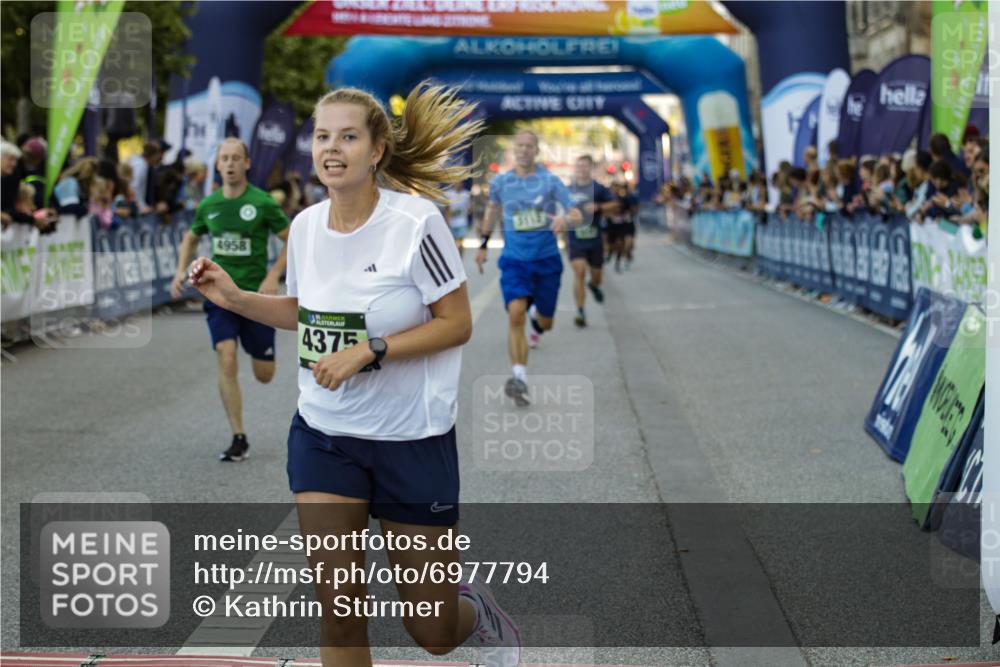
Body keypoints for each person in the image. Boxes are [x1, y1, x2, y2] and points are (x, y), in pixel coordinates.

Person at [186, 83, 522, 666]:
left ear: (377, 151)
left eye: (347, 136)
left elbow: (457, 322)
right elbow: (303, 310)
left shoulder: (417, 224)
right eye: (321, 136)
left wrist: (373, 349)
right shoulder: (308, 226)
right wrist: (236, 298)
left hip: (411, 440)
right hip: (325, 434)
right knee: (340, 615)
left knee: (434, 632)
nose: (331, 148)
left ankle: (477, 612)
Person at [170, 138, 291, 462]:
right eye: (224, 158)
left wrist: (272, 276)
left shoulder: (263, 202)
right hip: (219, 295)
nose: (230, 163)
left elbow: (291, 240)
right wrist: (180, 271)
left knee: (264, 374)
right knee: (226, 357)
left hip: (255, 298)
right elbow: (191, 237)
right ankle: (238, 436)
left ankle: (261, 356)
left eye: (236, 157)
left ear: (247, 163)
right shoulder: (209, 204)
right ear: (218, 164)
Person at [475, 128, 583, 406]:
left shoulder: (550, 181)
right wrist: (484, 243)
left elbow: (576, 211)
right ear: (514, 150)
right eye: (519, 146)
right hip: (514, 260)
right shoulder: (501, 183)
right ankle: (519, 378)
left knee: (545, 323)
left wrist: (565, 221)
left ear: (536, 151)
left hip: (547, 261)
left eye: (529, 146)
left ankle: (539, 317)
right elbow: (492, 210)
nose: (523, 150)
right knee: (515, 315)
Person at [566, 154, 614, 327]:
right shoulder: (568, 189)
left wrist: (598, 206)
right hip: (575, 239)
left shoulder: (599, 188)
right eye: (579, 166)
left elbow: (614, 205)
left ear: (590, 168)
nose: (581, 169)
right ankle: (580, 311)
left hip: (595, 239)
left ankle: (594, 286)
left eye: (585, 166)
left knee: (596, 277)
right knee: (579, 271)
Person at [443, 184, 472, 257]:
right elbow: (447, 209)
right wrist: (447, 221)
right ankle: (455, 259)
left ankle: (460, 260)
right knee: (453, 244)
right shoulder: (448, 194)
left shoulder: (466, 194)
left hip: (462, 222)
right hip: (451, 223)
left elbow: (470, 209)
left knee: (460, 243)